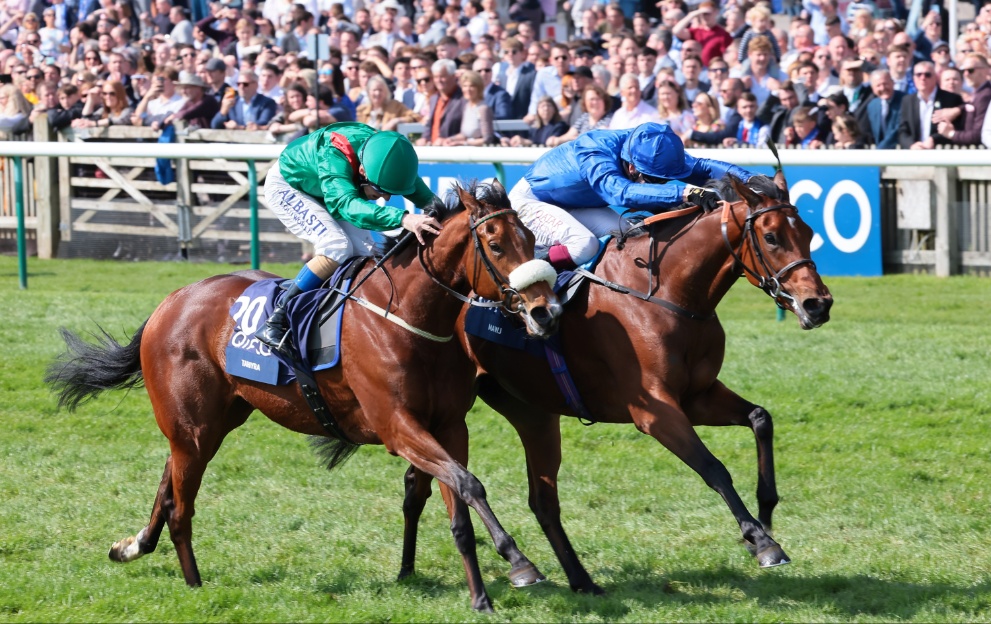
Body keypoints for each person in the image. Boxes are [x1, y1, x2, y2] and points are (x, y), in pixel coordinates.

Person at [254, 122, 442, 353]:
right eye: (380, 191)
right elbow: (345, 205)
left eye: (390, 193)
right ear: (363, 171)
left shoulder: (385, 157)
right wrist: (404, 219)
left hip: (331, 188)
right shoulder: (334, 156)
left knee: (367, 255)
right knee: (337, 247)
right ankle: (277, 320)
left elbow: (427, 198)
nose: (384, 198)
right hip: (290, 186)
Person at [507, 123, 758, 271]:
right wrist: (684, 191)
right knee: (583, 245)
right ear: (633, 167)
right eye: (655, 180)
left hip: (575, 205)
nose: (660, 185)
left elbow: (701, 167)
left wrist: (748, 179)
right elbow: (619, 192)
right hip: (531, 201)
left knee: (631, 237)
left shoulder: (649, 147)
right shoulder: (594, 150)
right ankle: (523, 271)